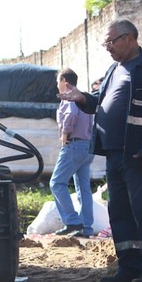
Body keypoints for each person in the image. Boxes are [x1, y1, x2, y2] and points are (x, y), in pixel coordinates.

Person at [57, 19, 142, 282]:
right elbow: (100, 103)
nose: (107, 47)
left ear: (129, 38)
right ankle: (128, 268)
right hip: (114, 155)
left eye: (111, 41)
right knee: (120, 213)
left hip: (139, 155)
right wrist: (82, 98)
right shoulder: (114, 69)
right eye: (105, 42)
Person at [50, 68, 95, 238]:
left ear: (64, 82)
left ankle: (72, 221)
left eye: (57, 83)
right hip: (87, 146)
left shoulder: (69, 97)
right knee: (83, 188)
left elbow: (71, 114)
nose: (57, 86)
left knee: (56, 183)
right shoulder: (84, 97)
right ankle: (86, 227)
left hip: (74, 145)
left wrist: (64, 133)